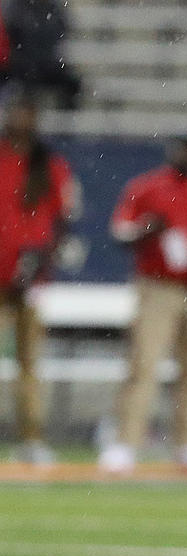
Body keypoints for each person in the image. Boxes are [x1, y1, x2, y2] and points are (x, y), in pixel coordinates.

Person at [98, 129, 187, 475]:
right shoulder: (148, 187)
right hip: (157, 286)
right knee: (143, 364)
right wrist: (147, 231)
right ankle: (125, 443)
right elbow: (121, 232)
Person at [0, 92, 78, 465]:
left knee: (30, 365)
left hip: (31, 279)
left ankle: (31, 438)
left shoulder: (49, 164)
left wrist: (38, 263)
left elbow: (61, 221)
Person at [3, 0, 82, 110]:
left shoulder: (53, 8)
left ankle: (65, 116)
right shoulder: (16, 8)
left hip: (47, 64)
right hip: (23, 65)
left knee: (72, 84)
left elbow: (61, 30)